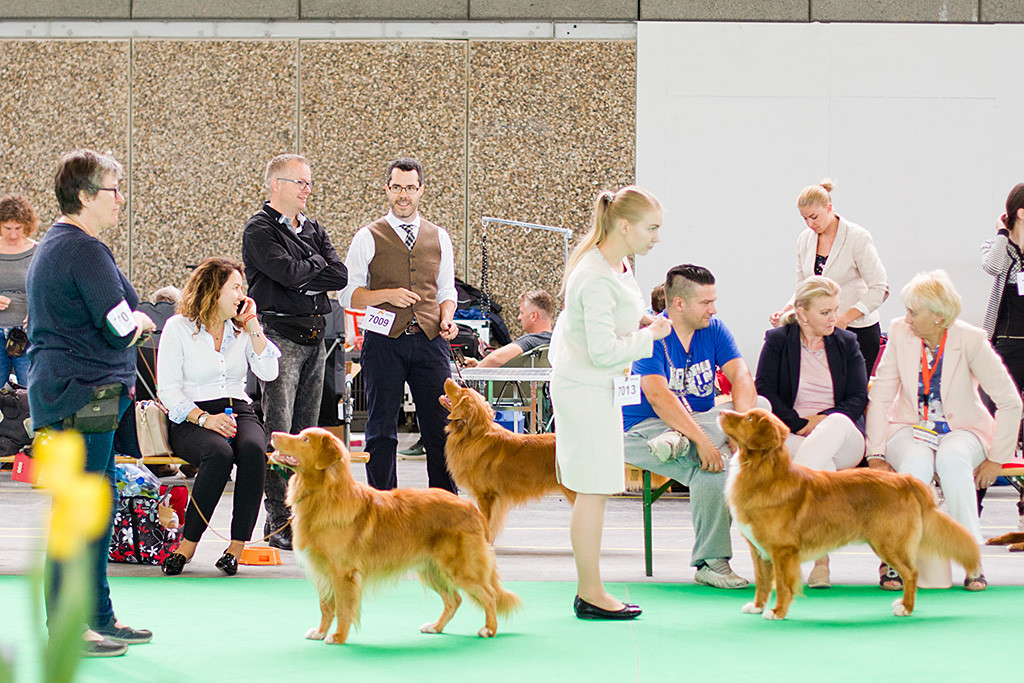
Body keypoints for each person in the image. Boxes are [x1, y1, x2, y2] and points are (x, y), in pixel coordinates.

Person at [26, 149, 156, 657]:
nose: (120, 199)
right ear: (84, 196)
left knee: (94, 512)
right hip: (79, 398)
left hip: (76, 398)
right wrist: (141, 321)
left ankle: (98, 617)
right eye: (113, 190)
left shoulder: (65, 245)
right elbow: (120, 325)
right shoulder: (82, 250)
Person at [550, 186, 672, 620]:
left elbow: (619, 313)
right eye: (651, 228)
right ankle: (590, 592)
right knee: (593, 489)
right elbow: (602, 350)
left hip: (599, 387)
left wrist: (643, 320)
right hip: (586, 389)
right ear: (624, 226)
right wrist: (649, 336)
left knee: (598, 487)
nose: (656, 237)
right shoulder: (594, 275)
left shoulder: (617, 264)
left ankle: (591, 589)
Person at [866, 270, 1020, 592]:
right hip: (908, 426)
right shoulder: (900, 332)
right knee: (916, 467)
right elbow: (880, 398)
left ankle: (971, 559)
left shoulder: (971, 339)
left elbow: (1010, 401)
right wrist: (876, 454)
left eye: (914, 312)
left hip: (963, 428)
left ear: (938, 316)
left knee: (952, 460)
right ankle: (895, 557)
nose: (907, 318)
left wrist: (996, 458)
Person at [623, 264, 763, 591]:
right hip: (647, 430)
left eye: (713, 301)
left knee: (760, 411)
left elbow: (742, 377)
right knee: (715, 466)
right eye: (706, 303)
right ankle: (711, 563)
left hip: (698, 424)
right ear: (679, 304)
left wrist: (739, 431)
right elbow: (657, 395)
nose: (713, 309)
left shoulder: (714, 329)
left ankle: (681, 441)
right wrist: (703, 442)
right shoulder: (651, 333)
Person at [241, 154, 347, 550]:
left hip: (315, 338)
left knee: (307, 435)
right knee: (281, 434)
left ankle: (306, 516)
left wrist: (306, 270)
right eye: (300, 182)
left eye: (309, 183)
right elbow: (287, 274)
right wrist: (313, 265)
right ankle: (278, 519)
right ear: (276, 185)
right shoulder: (259, 229)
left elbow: (340, 274)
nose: (307, 189)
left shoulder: (313, 228)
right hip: (280, 338)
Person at [340, 158, 459, 492]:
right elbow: (347, 295)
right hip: (383, 342)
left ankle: (445, 507)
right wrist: (387, 295)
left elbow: (447, 291)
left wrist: (447, 317)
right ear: (387, 189)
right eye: (397, 188)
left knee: (440, 428)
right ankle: (382, 506)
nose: (403, 195)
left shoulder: (440, 236)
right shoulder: (367, 236)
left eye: (410, 188)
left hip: (430, 341)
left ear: (421, 190)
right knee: (381, 430)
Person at [157, 258, 280, 577]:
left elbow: (269, 371)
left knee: (254, 450)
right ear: (214, 291)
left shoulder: (242, 328)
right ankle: (187, 545)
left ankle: (235, 549)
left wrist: (253, 326)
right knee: (219, 453)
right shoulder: (179, 328)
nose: (242, 295)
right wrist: (204, 419)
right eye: (236, 288)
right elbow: (167, 391)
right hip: (191, 414)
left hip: (237, 408)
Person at [755, 275, 867, 588]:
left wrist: (821, 420)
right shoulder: (778, 340)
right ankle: (821, 561)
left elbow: (858, 398)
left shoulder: (847, 342)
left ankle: (785, 528)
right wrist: (799, 424)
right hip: (795, 434)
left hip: (843, 437)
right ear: (802, 314)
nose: (834, 318)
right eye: (825, 312)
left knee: (836, 424)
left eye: (835, 310)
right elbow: (764, 388)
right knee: (822, 469)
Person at [770, 179, 889, 376]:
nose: (810, 224)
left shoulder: (857, 237)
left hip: (857, 330)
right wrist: (787, 310)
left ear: (829, 208)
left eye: (814, 217)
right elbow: (804, 287)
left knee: (852, 389)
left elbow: (880, 288)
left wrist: (844, 319)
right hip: (819, 330)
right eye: (805, 219)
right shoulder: (804, 239)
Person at [981, 183, 1024, 398]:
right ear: (1021, 213)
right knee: (1002, 403)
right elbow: (993, 267)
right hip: (1008, 341)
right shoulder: (995, 246)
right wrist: (1002, 233)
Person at [0, 195, 39, 386]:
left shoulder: (37, 251)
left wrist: (37, 312)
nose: (13, 234)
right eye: (7, 228)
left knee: (28, 390)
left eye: (18, 228)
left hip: (26, 335)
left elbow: (49, 291)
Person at [466, 289, 555, 367]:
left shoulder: (531, 340)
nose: (519, 318)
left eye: (522, 313)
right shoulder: (555, 342)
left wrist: (475, 372)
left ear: (533, 316)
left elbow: (495, 359)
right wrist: (479, 364)